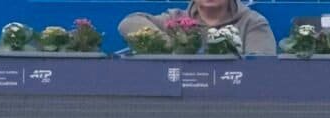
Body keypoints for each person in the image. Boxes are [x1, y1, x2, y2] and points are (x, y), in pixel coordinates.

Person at [118, 0, 276, 56]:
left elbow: (261, 70)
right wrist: (171, 45)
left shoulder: (253, 23)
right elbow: (129, 23)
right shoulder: (176, 19)